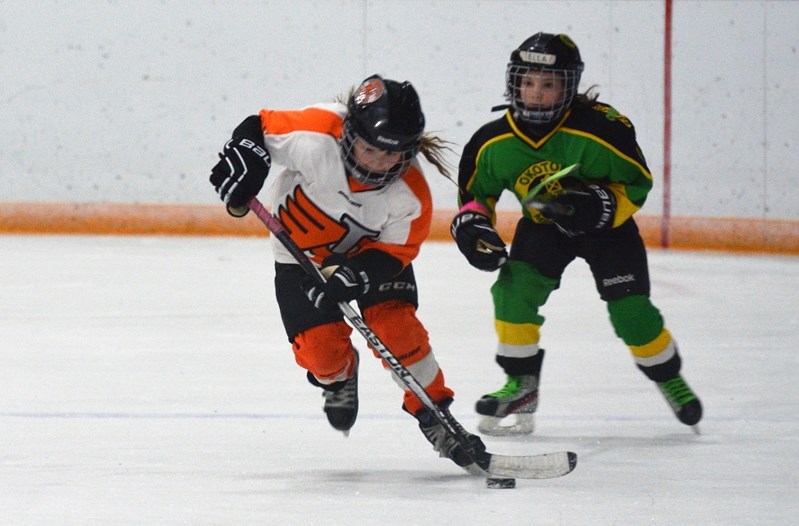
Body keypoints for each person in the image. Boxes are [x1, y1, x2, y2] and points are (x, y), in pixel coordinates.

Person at [209, 74, 485, 470]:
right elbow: (259, 126)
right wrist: (247, 156)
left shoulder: (411, 197)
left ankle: (434, 415)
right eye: (371, 149)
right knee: (322, 355)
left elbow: (394, 252)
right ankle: (339, 377)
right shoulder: (316, 135)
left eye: (394, 154)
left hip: (369, 258)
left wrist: (356, 274)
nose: (380, 163)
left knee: (398, 330)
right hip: (299, 254)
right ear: (348, 132)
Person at [450, 33, 703, 435]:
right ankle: (522, 385)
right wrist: (474, 226)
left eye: (548, 84)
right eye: (528, 82)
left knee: (631, 314)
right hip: (544, 228)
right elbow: (476, 197)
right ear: (513, 82)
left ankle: (667, 374)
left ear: (568, 87)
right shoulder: (491, 142)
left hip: (609, 230)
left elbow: (637, 184)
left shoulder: (602, 129)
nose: (535, 93)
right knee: (513, 292)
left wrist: (601, 204)